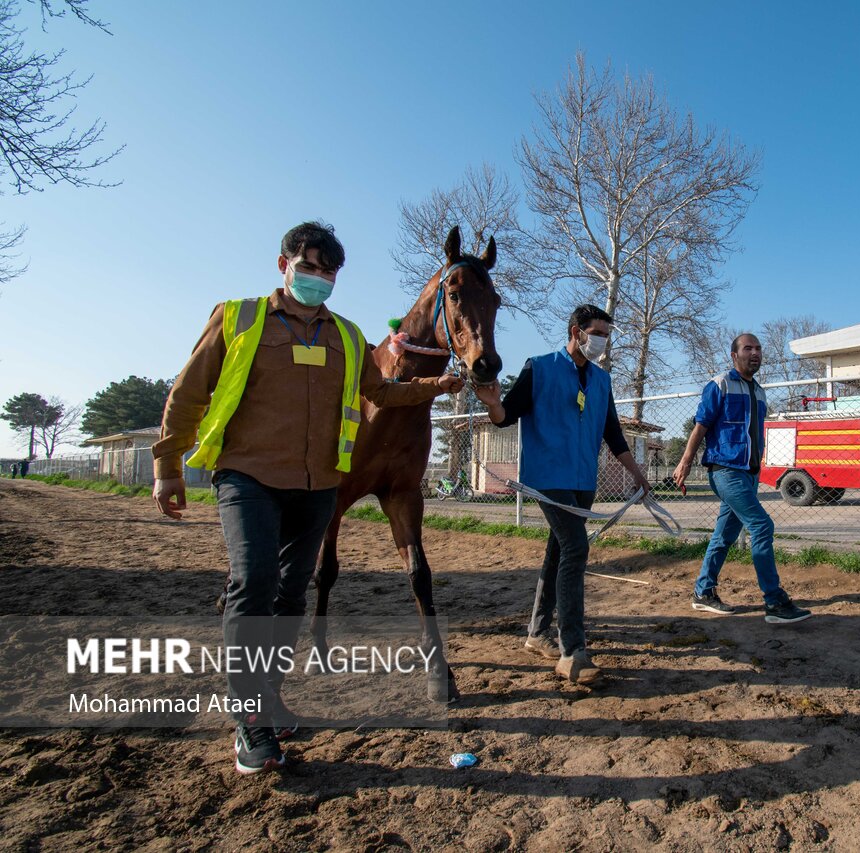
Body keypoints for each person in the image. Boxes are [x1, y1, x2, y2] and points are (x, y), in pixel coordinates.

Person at [150, 221, 463, 775]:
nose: (319, 279)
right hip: (248, 476)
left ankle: (266, 697)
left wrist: (436, 386)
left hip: (319, 483)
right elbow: (188, 391)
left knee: (293, 592)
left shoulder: (345, 335)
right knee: (254, 585)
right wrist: (167, 463)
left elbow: (380, 392)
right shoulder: (237, 318)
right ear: (283, 265)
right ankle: (249, 722)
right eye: (310, 267)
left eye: (329, 272)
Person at [473, 304, 651, 685]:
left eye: (606, 334)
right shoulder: (539, 367)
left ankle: (537, 634)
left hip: (583, 479)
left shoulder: (602, 381)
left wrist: (637, 475)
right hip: (547, 477)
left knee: (558, 551)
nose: (601, 341)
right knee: (575, 548)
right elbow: (507, 414)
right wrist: (491, 405)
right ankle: (573, 650)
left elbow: (614, 435)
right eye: (596, 333)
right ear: (576, 331)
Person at [673, 333, 812, 624]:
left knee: (723, 536)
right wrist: (685, 462)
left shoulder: (760, 392)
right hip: (725, 471)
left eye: (758, 348)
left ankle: (703, 592)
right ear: (734, 355)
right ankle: (774, 602)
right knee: (762, 526)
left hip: (748, 474)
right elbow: (700, 427)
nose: (755, 353)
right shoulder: (720, 384)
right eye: (748, 348)